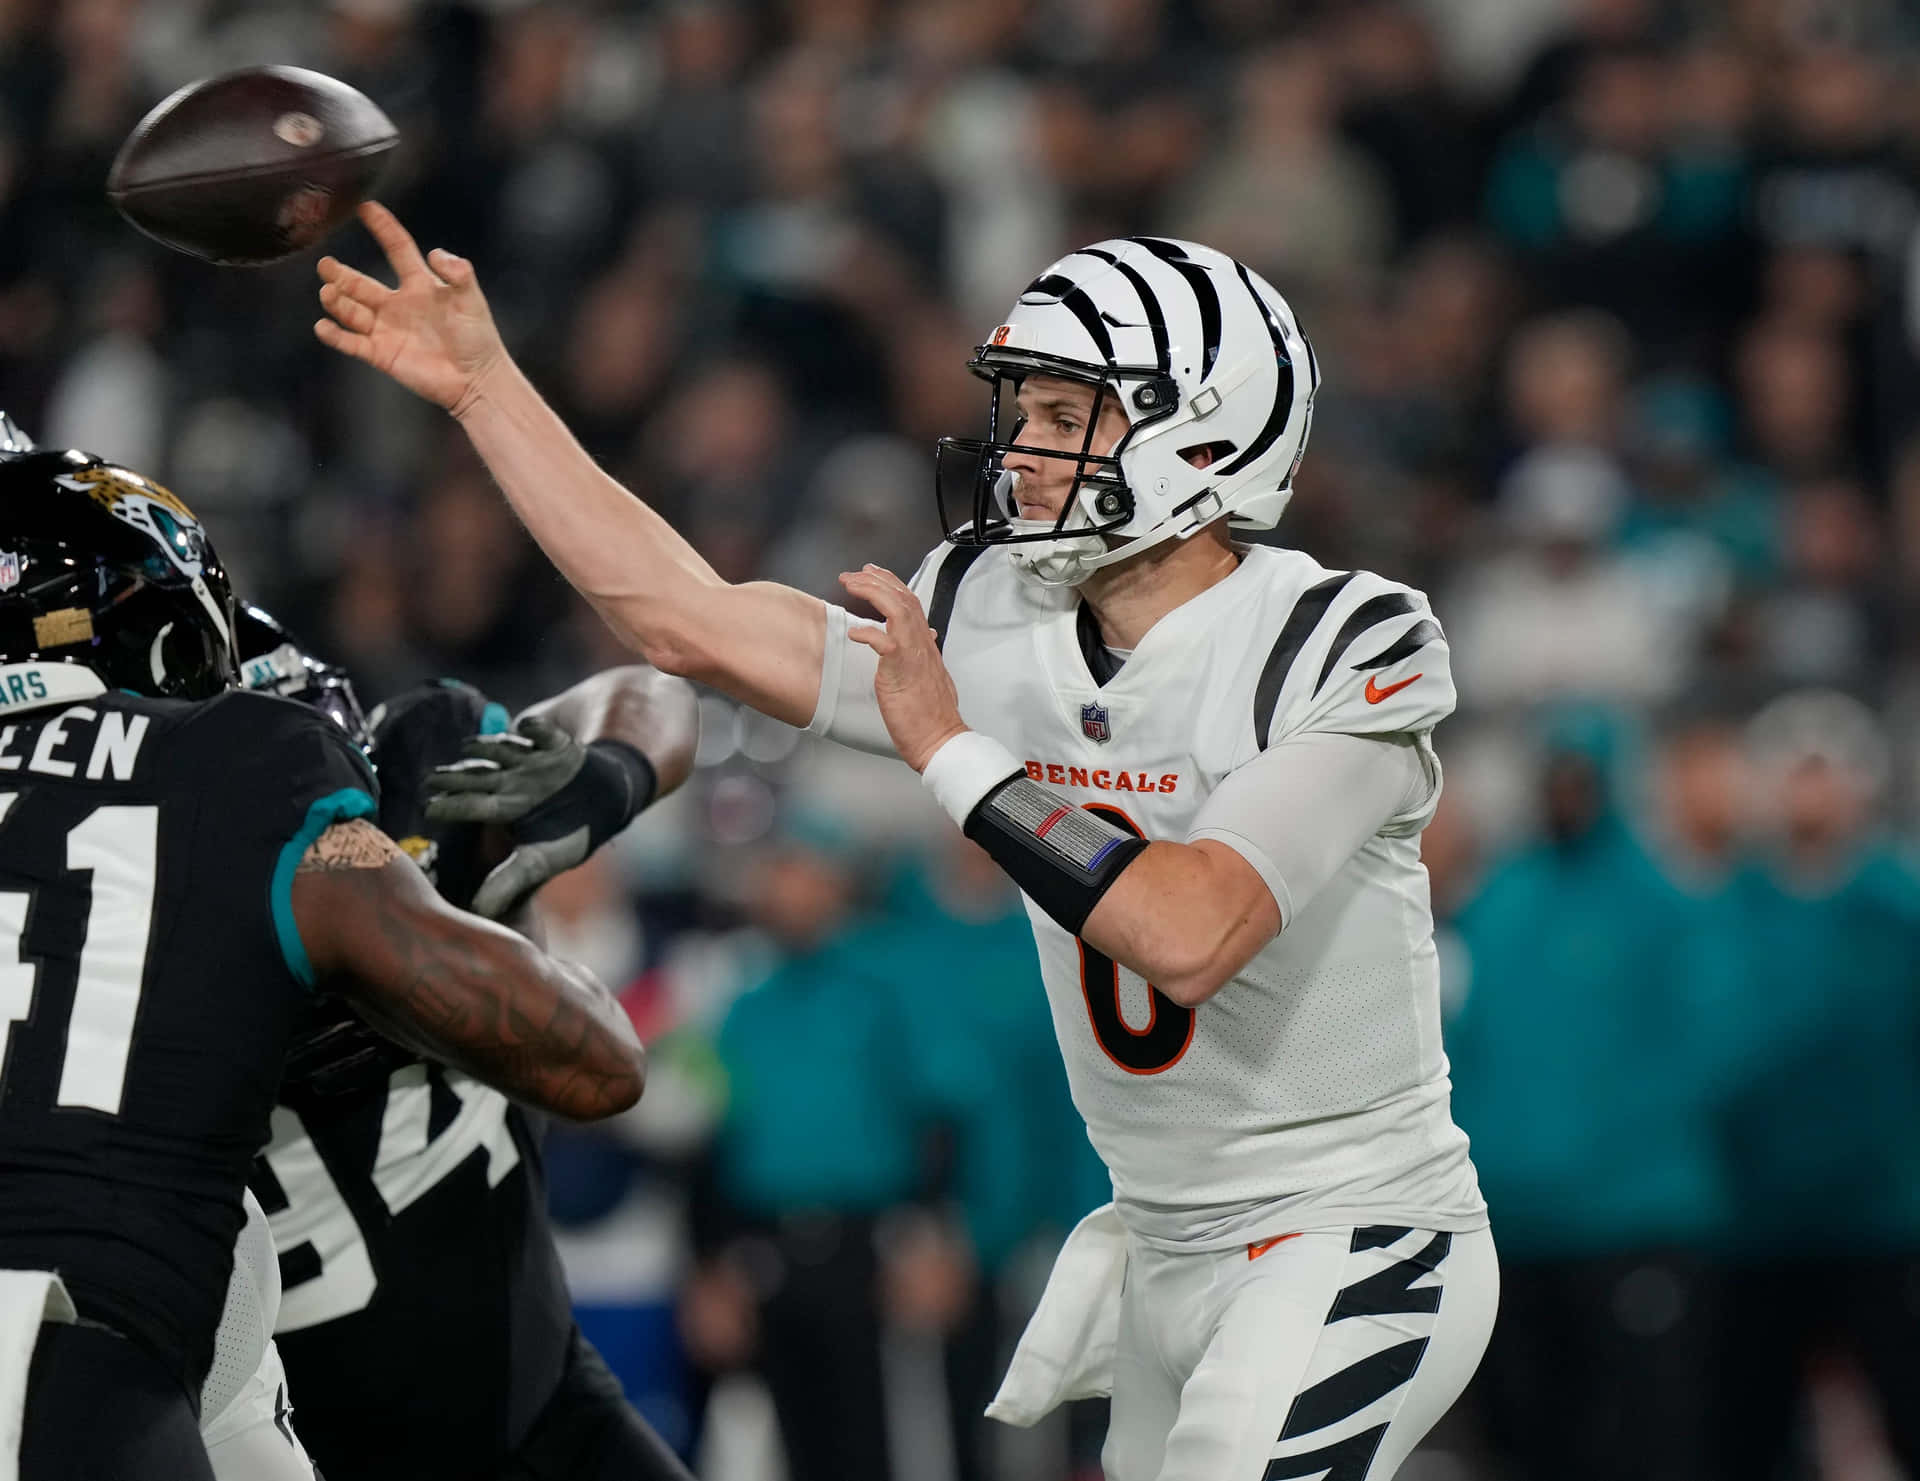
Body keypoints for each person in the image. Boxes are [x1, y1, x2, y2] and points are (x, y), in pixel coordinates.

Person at [315, 204, 1496, 1481]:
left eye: (1065, 417)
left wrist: (955, 753)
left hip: (1353, 1224)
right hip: (1161, 1237)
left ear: (1200, 428)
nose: (1023, 452)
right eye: (1026, 413)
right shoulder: (1000, 611)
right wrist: (488, 390)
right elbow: (690, 620)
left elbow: (1189, 928)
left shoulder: (1346, 638)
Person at [0, 437, 644, 1481]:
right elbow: (603, 1060)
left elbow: (646, 700)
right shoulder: (240, 773)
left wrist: (588, 784)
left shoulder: (381, 769)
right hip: (98, 1349)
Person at [231, 604, 701, 1481]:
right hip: (302, 1446)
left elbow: (651, 693)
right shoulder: (148, 915)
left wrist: (608, 775)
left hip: (542, 1396)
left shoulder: (419, 771)